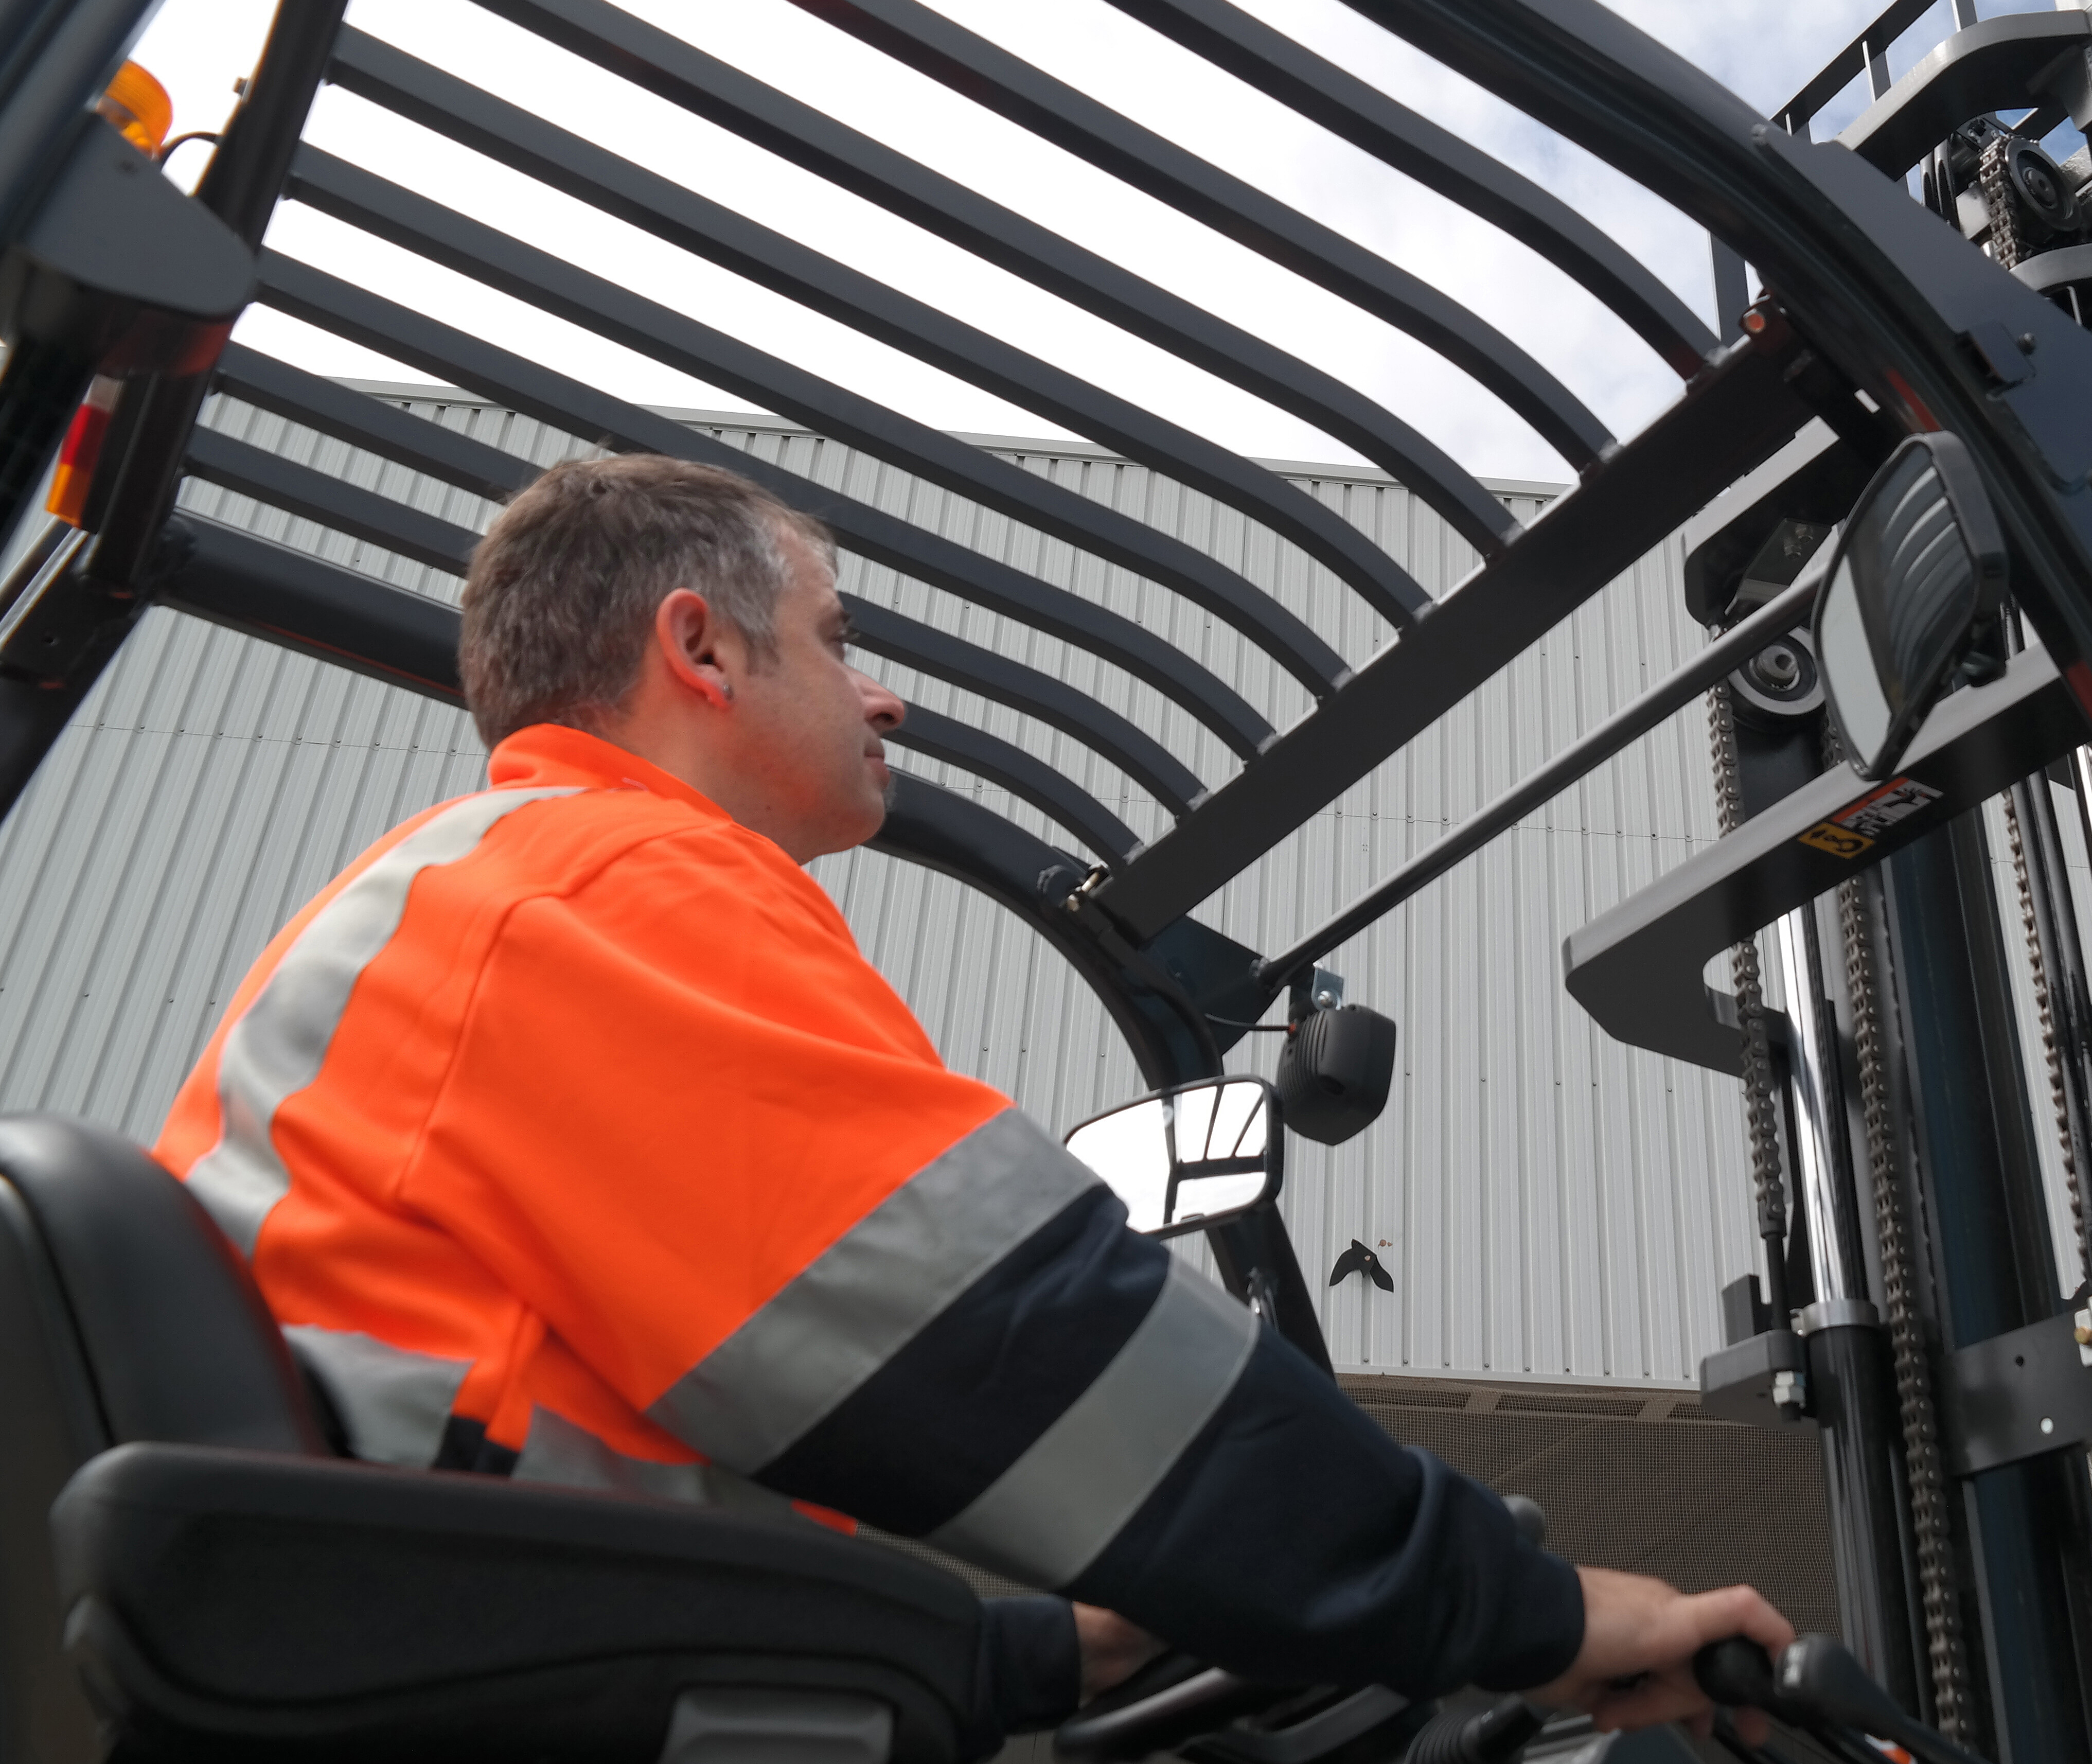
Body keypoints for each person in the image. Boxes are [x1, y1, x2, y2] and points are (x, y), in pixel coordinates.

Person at [156, 453, 1789, 1753]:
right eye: (838, 641)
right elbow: (1009, 1336)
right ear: (700, 649)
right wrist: (1532, 1611)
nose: (885, 698)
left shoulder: (478, 885)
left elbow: (640, 1527)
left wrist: (1041, 1652)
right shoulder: (611, 889)